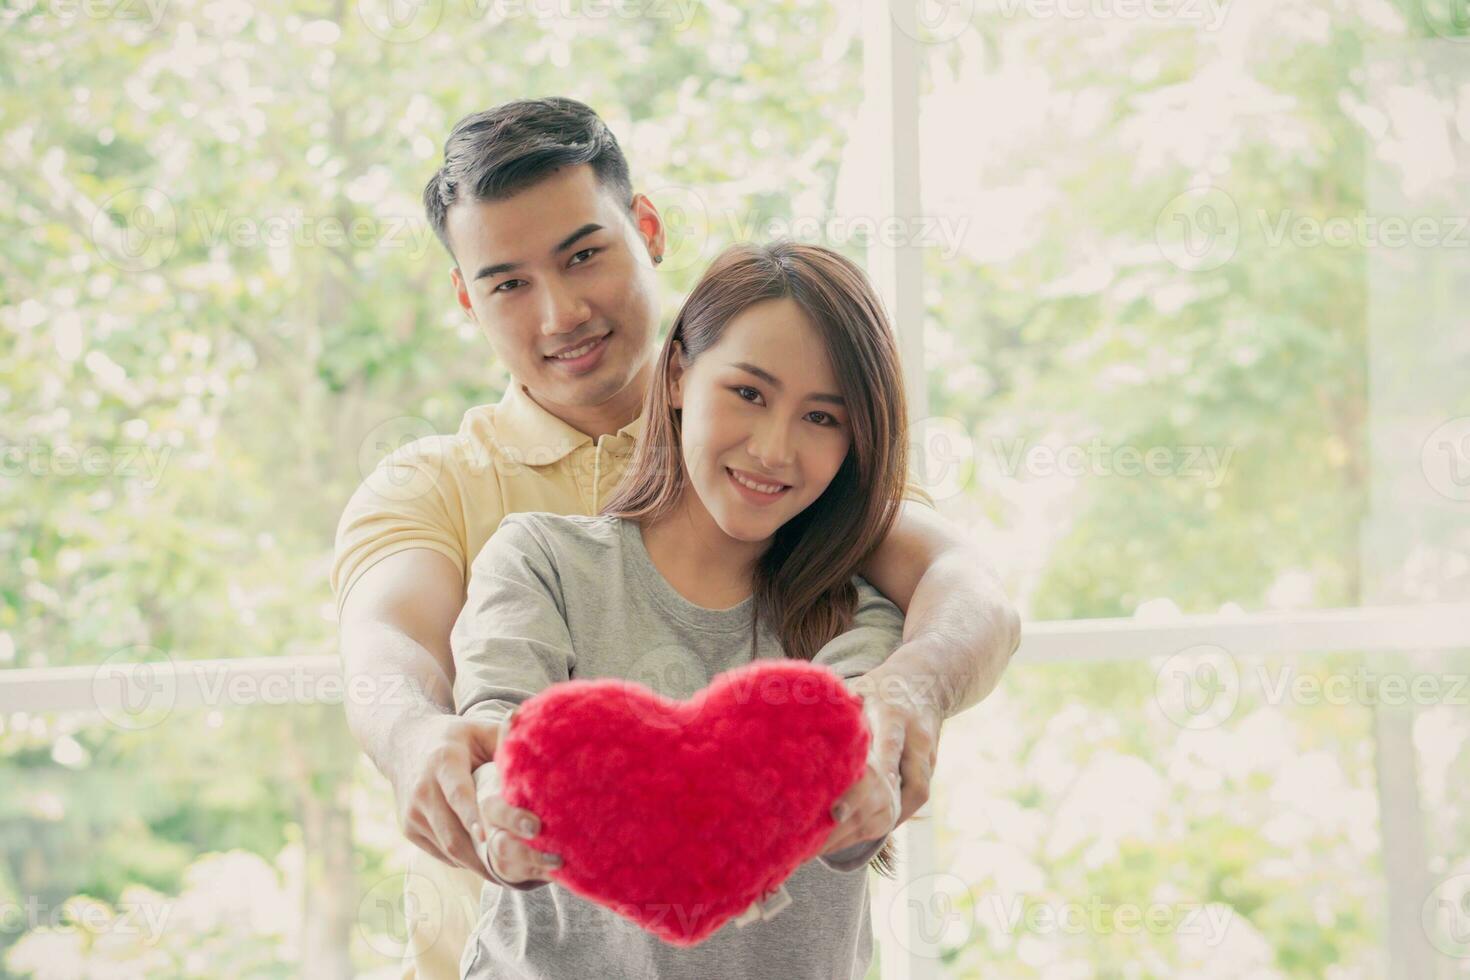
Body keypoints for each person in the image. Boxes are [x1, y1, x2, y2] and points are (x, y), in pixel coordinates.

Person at [331, 97, 1021, 980]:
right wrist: (414, 738)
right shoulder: (444, 492)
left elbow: (968, 589)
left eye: (584, 255)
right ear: (467, 297)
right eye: (508, 282)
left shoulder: (797, 482)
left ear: (645, 228)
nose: (560, 312)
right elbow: (385, 648)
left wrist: (912, 693)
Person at [453, 240, 914, 978]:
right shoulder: (541, 561)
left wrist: (868, 794)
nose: (773, 449)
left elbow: (863, 776)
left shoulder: (863, 614)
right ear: (676, 376)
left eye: (822, 418)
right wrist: (496, 819)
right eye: (749, 394)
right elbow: (492, 734)